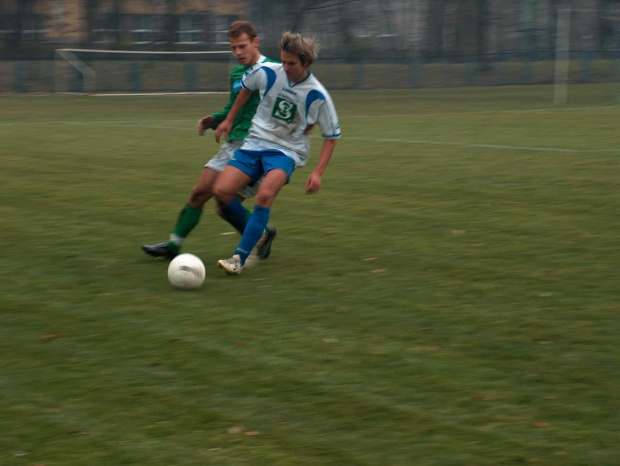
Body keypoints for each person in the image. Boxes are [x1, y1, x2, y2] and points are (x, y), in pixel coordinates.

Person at [142, 21, 278, 261]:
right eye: (233, 48)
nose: (238, 52)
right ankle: (173, 246)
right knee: (200, 193)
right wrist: (214, 120)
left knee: (222, 199)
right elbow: (232, 107)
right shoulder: (237, 72)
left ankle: (261, 234)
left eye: (242, 46)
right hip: (232, 143)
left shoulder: (274, 71)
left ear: (255, 42)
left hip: (256, 148)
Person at [212, 31, 341, 275]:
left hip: (286, 151)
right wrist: (228, 120)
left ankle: (238, 258)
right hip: (254, 144)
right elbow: (246, 89)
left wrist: (318, 172)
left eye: (291, 63)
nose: (285, 66)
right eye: (283, 60)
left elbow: (331, 136)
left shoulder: (318, 94)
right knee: (220, 192)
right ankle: (261, 233)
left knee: (265, 195)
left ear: (306, 62)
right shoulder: (269, 72)